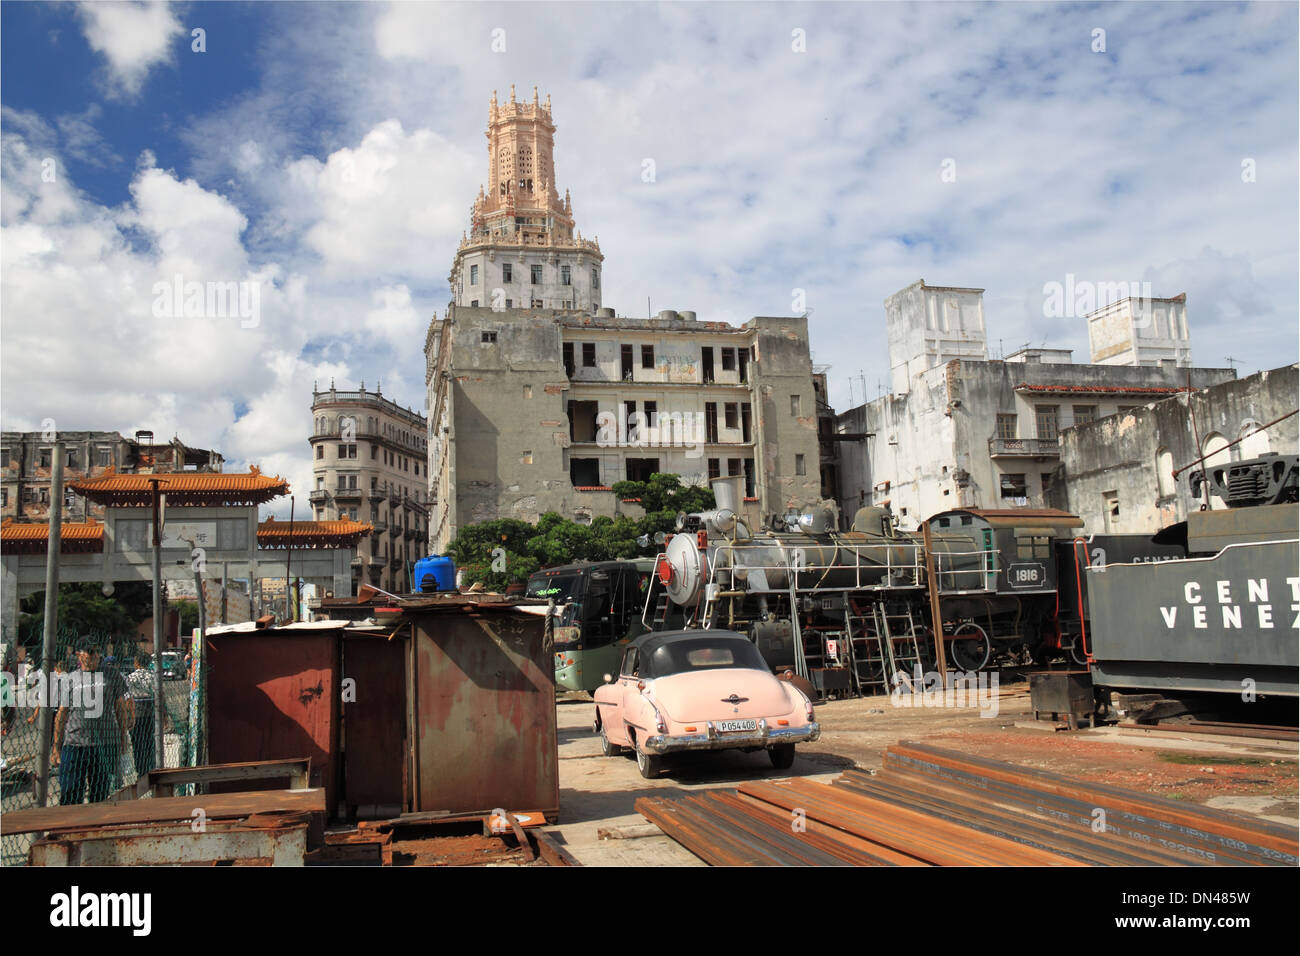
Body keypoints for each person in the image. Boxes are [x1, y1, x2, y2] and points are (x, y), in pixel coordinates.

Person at [55, 645, 130, 804]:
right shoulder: (70, 679)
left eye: (97, 651)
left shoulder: (111, 675)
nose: (95, 655)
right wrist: (56, 747)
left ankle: (94, 826)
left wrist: (123, 736)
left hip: (104, 744)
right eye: (90, 651)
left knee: (100, 793)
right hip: (75, 744)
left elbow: (120, 707)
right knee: (70, 791)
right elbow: (62, 713)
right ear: (78, 654)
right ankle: (70, 826)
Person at [126, 654, 155, 776]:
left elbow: (127, 697)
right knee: (149, 740)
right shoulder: (152, 676)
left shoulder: (130, 677)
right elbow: (159, 694)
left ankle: (141, 770)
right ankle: (151, 766)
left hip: (136, 713)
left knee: (138, 743)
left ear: (136, 663)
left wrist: (128, 715)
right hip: (150, 712)